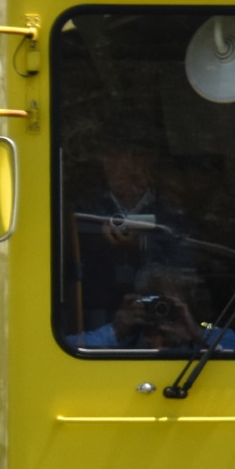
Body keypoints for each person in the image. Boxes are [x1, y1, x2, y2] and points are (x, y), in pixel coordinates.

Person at [70, 140, 190, 334]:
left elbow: (183, 261)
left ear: (150, 163)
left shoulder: (171, 213)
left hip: (159, 308)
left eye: (137, 157)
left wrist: (141, 245)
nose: (125, 165)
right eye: (115, 156)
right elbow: (74, 260)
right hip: (99, 307)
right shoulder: (86, 210)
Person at [72, 264, 235, 352]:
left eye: (168, 303)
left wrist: (199, 335)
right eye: (154, 300)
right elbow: (59, 353)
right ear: (140, 300)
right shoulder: (126, 337)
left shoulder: (199, 337)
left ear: (185, 304)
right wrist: (114, 331)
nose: (161, 309)